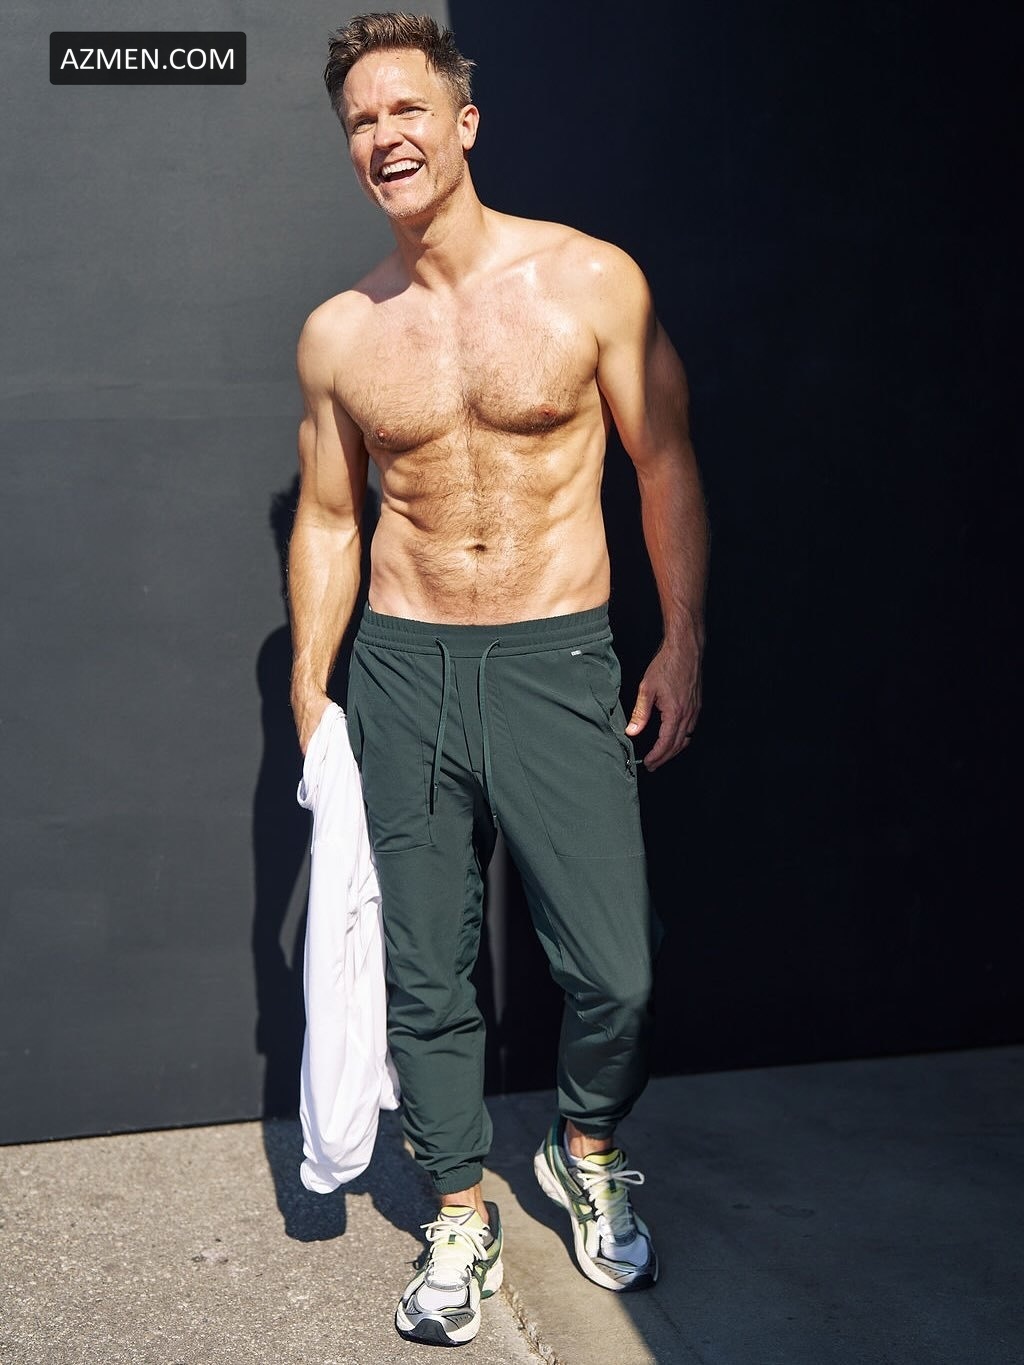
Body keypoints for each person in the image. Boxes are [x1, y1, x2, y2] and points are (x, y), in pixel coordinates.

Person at [288, 11, 708, 1348]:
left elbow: (663, 460)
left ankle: (585, 1147)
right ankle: (459, 1206)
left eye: (407, 109)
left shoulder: (590, 280)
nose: (385, 137)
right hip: (403, 665)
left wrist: (682, 637)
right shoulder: (341, 333)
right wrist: (311, 680)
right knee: (427, 972)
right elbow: (331, 517)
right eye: (361, 121)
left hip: (552, 656)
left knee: (618, 972)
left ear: (463, 123)